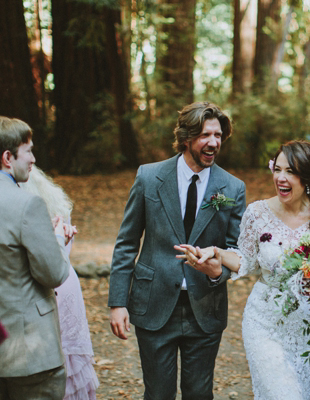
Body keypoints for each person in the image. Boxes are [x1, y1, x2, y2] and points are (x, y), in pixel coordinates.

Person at [177, 140, 310, 400]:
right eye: (277, 169)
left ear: (308, 177)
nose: (281, 178)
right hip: (264, 322)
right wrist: (217, 252)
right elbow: (246, 260)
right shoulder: (257, 213)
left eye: (291, 171)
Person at [108, 102, 246, 400]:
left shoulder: (232, 188)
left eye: (218, 135)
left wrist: (216, 272)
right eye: (205, 135)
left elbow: (237, 251)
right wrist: (117, 302)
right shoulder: (148, 177)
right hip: (153, 304)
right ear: (186, 138)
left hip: (205, 308)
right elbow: (127, 243)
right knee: (157, 394)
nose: (213, 142)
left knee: (199, 394)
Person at [0, 116, 70, 399]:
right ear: (7, 157)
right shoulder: (27, 204)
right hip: (29, 355)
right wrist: (58, 239)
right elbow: (53, 274)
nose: (33, 159)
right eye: (28, 151)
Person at [22, 165, 99, 400]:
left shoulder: (22, 207)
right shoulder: (52, 202)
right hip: (65, 285)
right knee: (65, 360)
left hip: (45, 291)